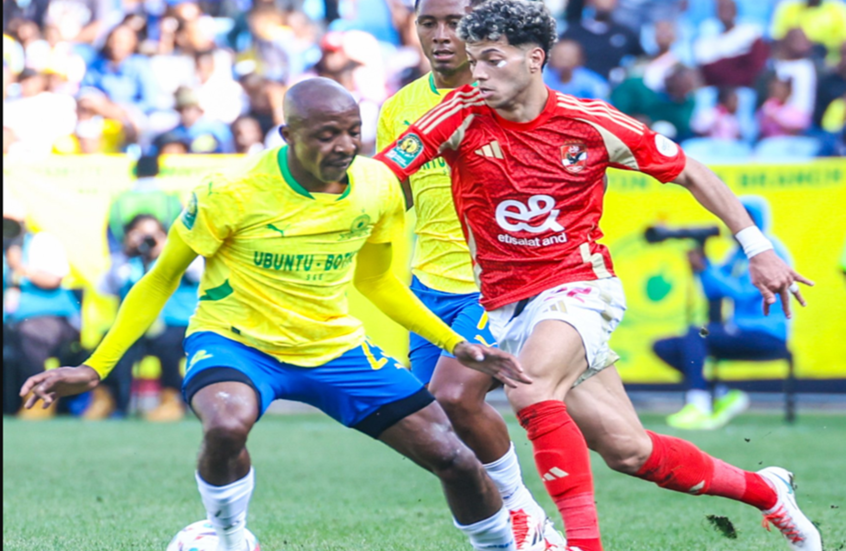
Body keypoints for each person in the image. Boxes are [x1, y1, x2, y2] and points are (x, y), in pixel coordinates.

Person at [375, 1, 820, 550]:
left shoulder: (590, 122)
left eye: (491, 60)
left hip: (579, 287)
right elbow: (385, 175)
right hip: (507, 305)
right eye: (476, 60)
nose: (478, 74)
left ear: (534, 59)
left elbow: (690, 171)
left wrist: (757, 248)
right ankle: (767, 491)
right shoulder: (457, 115)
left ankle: (573, 540)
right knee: (629, 451)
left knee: (527, 387)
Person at [20, 77, 533, 551]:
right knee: (226, 425)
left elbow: (376, 282)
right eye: (327, 135)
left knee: (454, 458)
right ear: (288, 135)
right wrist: (96, 367)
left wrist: (454, 344)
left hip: (334, 348)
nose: (344, 146)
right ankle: (228, 537)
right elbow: (160, 278)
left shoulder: (377, 186)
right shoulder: (231, 193)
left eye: (353, 132)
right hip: (236, 343)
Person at [376, 0, 565, 548]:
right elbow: (393, 195)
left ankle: (523, 512)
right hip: (427, 286)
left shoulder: (512, 98)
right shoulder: (399, 108)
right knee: (433, 421)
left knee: (456, 397)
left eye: (454, 23)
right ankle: (517, 530)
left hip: (494, 283)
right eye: (428, 23)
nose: (441, 35)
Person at [653, 196, 793, 430]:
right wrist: (701, 269)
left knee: (697, 334)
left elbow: (742, 292)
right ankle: (721, 394)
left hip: (765, 333)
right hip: (739, 330)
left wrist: (707, 268)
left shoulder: (769, 252)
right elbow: (714, 291)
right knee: (665, 347)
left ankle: (699, 404)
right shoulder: (737, 255)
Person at [96, 214, 202, 421]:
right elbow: (105, 288)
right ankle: (114, 401)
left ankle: (171, 399)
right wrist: (125, 253)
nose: (148, 240)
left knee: (167, 343)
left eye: (154, 235)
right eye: (141, 234)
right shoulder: (127, 262)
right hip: (140, 326)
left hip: (177, 325)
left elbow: (198, 273)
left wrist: (169, 250)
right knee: (113, 342)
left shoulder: (179, 257)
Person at [4, 197, 81, 420]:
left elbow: (53, 280)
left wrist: (19, 266)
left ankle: (37, 398)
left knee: (32, 334)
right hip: (11, 319)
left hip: (51, 318)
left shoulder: (41, 242)